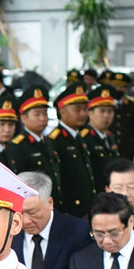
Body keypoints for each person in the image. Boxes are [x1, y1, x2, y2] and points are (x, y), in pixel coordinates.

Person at [47, 86, 95, 217]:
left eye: (85, 109)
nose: (83, 114)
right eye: (77, 109)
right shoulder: (55, 140)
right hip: (70, 209)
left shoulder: (79, 136)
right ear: (62, 111)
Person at [5, 87, 62, 191]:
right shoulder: (18, 146)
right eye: (37, 114)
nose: (43, 118)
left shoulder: (48, 141)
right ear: (24, 118)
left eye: (45, 113)